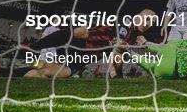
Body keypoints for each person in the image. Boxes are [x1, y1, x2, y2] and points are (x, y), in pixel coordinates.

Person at [24, 9, 156, 79]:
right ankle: (37, 45)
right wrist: (119, 74)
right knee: (83, 32)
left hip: (82, 58)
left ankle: (21, 74)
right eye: (147, 19)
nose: (147, 23)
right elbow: (118, 46)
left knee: (50, 73)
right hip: (79, 43)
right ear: (139, 15)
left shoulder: (133, 38)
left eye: (151, 23)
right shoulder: (127, 21)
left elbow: (118, 53)